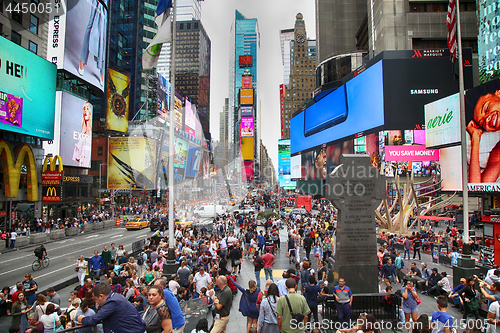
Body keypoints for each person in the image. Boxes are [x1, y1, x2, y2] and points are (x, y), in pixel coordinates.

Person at [76, 283, 146, 332]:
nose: (96, 302)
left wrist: (82, 319)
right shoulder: (117, 296)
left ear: (101, 296)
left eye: (95, 299)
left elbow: (94, 319)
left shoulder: (112, 302)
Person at [72, 101, 92, 166]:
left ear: (90, 112)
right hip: (81, 164)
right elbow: (77, 156)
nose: (85, 111)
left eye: (87, 109)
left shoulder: (91, 132)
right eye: (84, 109)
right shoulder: (81, 131)